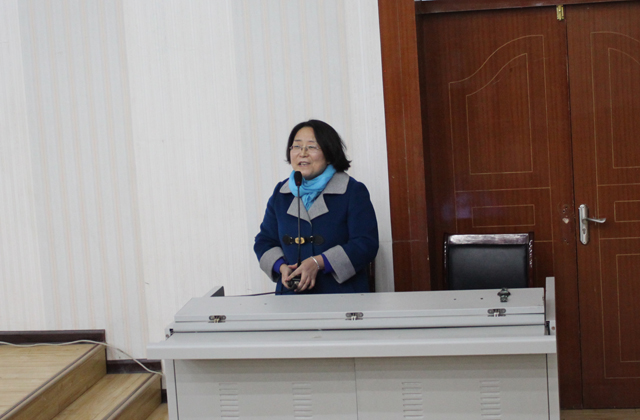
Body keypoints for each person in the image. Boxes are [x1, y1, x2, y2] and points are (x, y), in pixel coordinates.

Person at [254, 119, 379, 294]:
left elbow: (366, 244)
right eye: (297, 146)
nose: (302, 153)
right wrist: (281, 267)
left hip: (341, 296)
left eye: (312, 147)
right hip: (292, 296)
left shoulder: (352, 191)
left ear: (329, 153)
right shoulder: (281, 194)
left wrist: (318, 262)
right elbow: (264, 241)